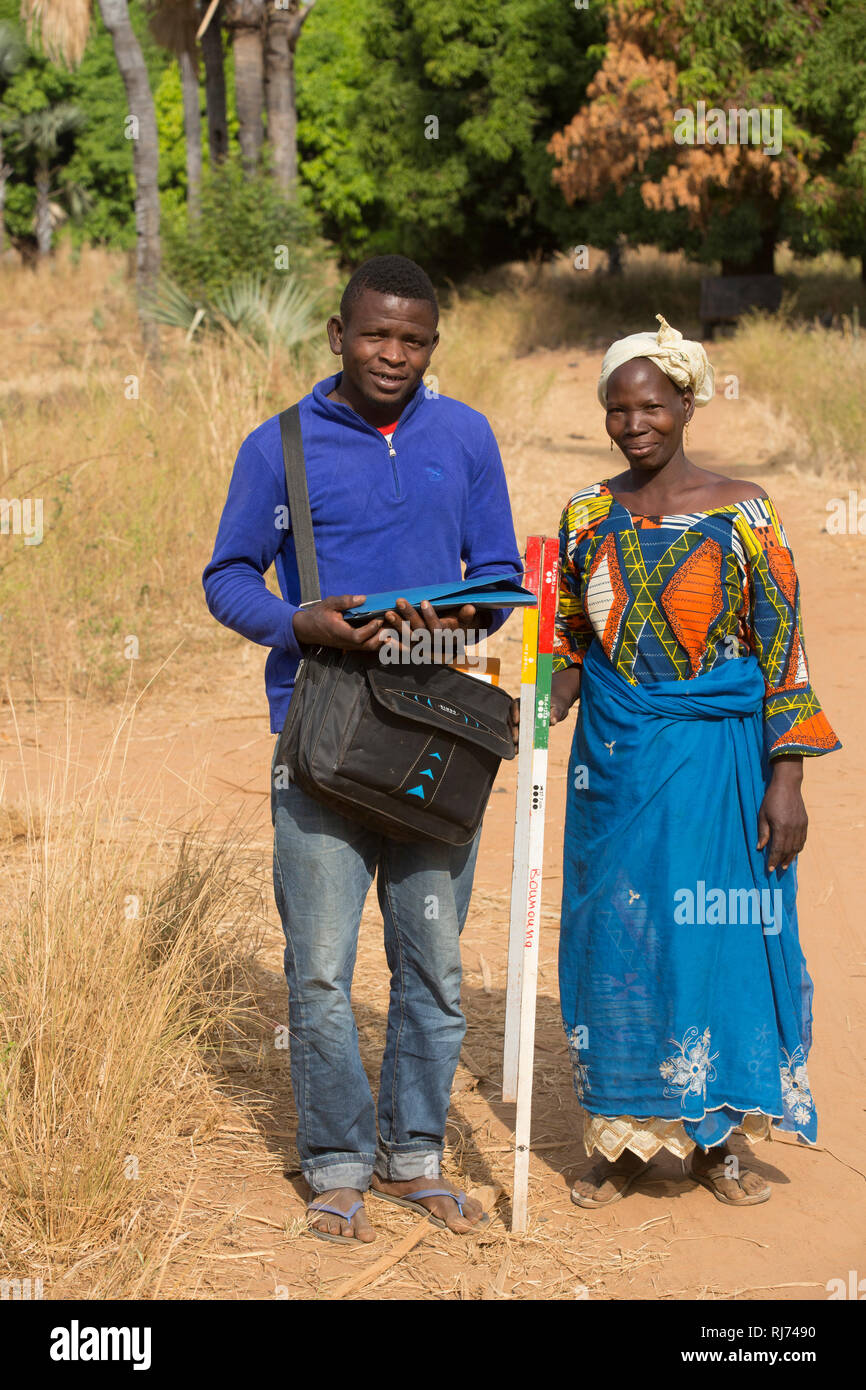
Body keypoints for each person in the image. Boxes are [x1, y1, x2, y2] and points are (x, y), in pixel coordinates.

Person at [203, 255, 522, 1242]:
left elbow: (500, 575)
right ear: (337, 335)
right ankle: (339, 1161)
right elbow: (226, 578)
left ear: (433, 344)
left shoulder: (463, 436)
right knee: (320, 972)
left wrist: (448, 622)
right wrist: (303, 622)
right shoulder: (278, 447)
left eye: (414, 339)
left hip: (435, 740)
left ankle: (412, 1154)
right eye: (376, 335)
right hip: (322, 738)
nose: (394, 354)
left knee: (429, 965)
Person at [550, 315, 840, 1209]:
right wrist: (522, 715)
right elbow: (565, 643)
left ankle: (716, 1141)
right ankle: (626, 1141)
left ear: (685, 403)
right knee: (619, 935)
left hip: (721, 759)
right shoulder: (585, 516)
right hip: (615, 761)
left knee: (717, 934)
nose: (634, 424)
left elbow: (783, 647)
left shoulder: (743, 511)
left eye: (651, 406)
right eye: (617, 409)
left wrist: (786, 780)